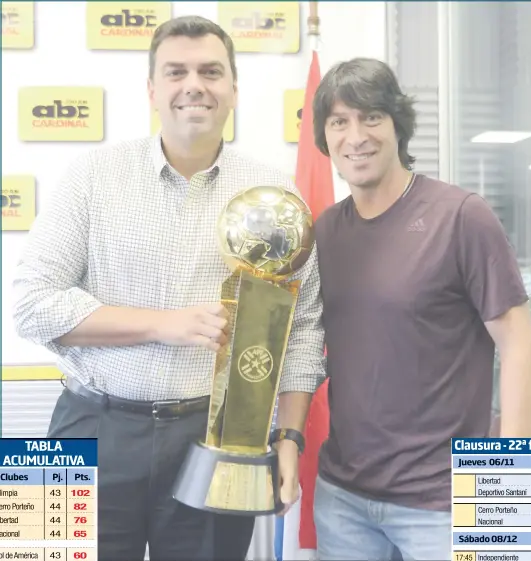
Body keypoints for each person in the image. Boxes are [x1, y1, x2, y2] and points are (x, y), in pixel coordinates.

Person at [11, 15, 325, 561]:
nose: (194, 85)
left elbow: (299, 333)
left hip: (216, 438)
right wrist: (165, 323)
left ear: (233, 89)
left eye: (211, 71)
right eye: (175, 72)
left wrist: (289, 439)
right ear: (153, 90)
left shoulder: (274, 191)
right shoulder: (91, 174)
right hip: (86, 426)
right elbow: (30, 306)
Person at [310, 57, 531, 561]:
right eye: (339, 122)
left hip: (449, 501)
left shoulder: (461, 216)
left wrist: (511, 485)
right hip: (343, 499)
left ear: (398, 125)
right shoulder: (324, 230)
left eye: (371, 117)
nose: (356, 136)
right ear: (324, 139)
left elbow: (521, 345)